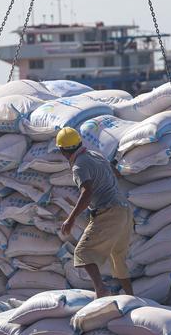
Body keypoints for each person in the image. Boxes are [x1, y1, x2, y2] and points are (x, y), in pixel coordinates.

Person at [57, 127, 134, 298]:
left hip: (109, 211)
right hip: (125, 210)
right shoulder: (95, 155)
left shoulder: (78, 167)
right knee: (118, 257)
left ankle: (101, 290)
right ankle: (130, 296)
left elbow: (87, 192)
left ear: (62, 150)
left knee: (82, 253)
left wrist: (70, 219)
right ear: (79, 143)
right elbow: (117, 174)